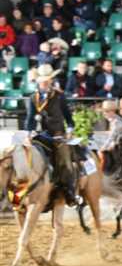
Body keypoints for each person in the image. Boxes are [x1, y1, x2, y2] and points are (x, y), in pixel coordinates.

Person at [25, 64, 78, 203]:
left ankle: (69, 190)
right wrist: (29, 133)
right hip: (41, 135)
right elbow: (30, 118)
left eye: (47, 80)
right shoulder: (33, 98)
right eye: (43, 81)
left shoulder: (59, 96)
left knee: (65, 160)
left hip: (58, 134)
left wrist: (70, 130)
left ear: (51, 81)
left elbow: (68, 116)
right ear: (39, 82)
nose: (45, 83)